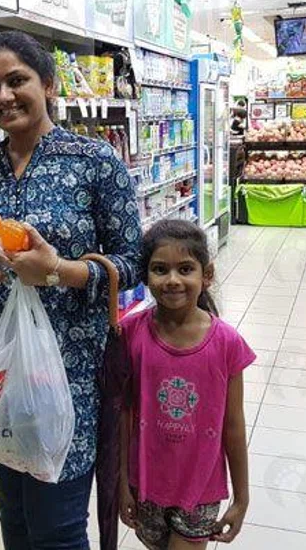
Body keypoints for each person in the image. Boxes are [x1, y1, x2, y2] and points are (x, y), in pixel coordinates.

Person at [0, 30, 142, 548]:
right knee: (14, 520)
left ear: (50, 84)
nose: (4, 96)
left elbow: (134, 263)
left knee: (58, 530)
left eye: (18, 81)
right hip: (1, 370)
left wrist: (59, 269)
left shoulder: (94, 162)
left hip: (70, 375)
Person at [119, 220, 252, 550]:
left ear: (206, 275)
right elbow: (122, 415)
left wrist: (242, 497)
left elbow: (233, 425)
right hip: (146, 483)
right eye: (160, 269)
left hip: (201, 487)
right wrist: (121, 482)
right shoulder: (130, 334)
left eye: (186, 269)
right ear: (145, 276)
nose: (173, 280)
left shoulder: (227, 344)